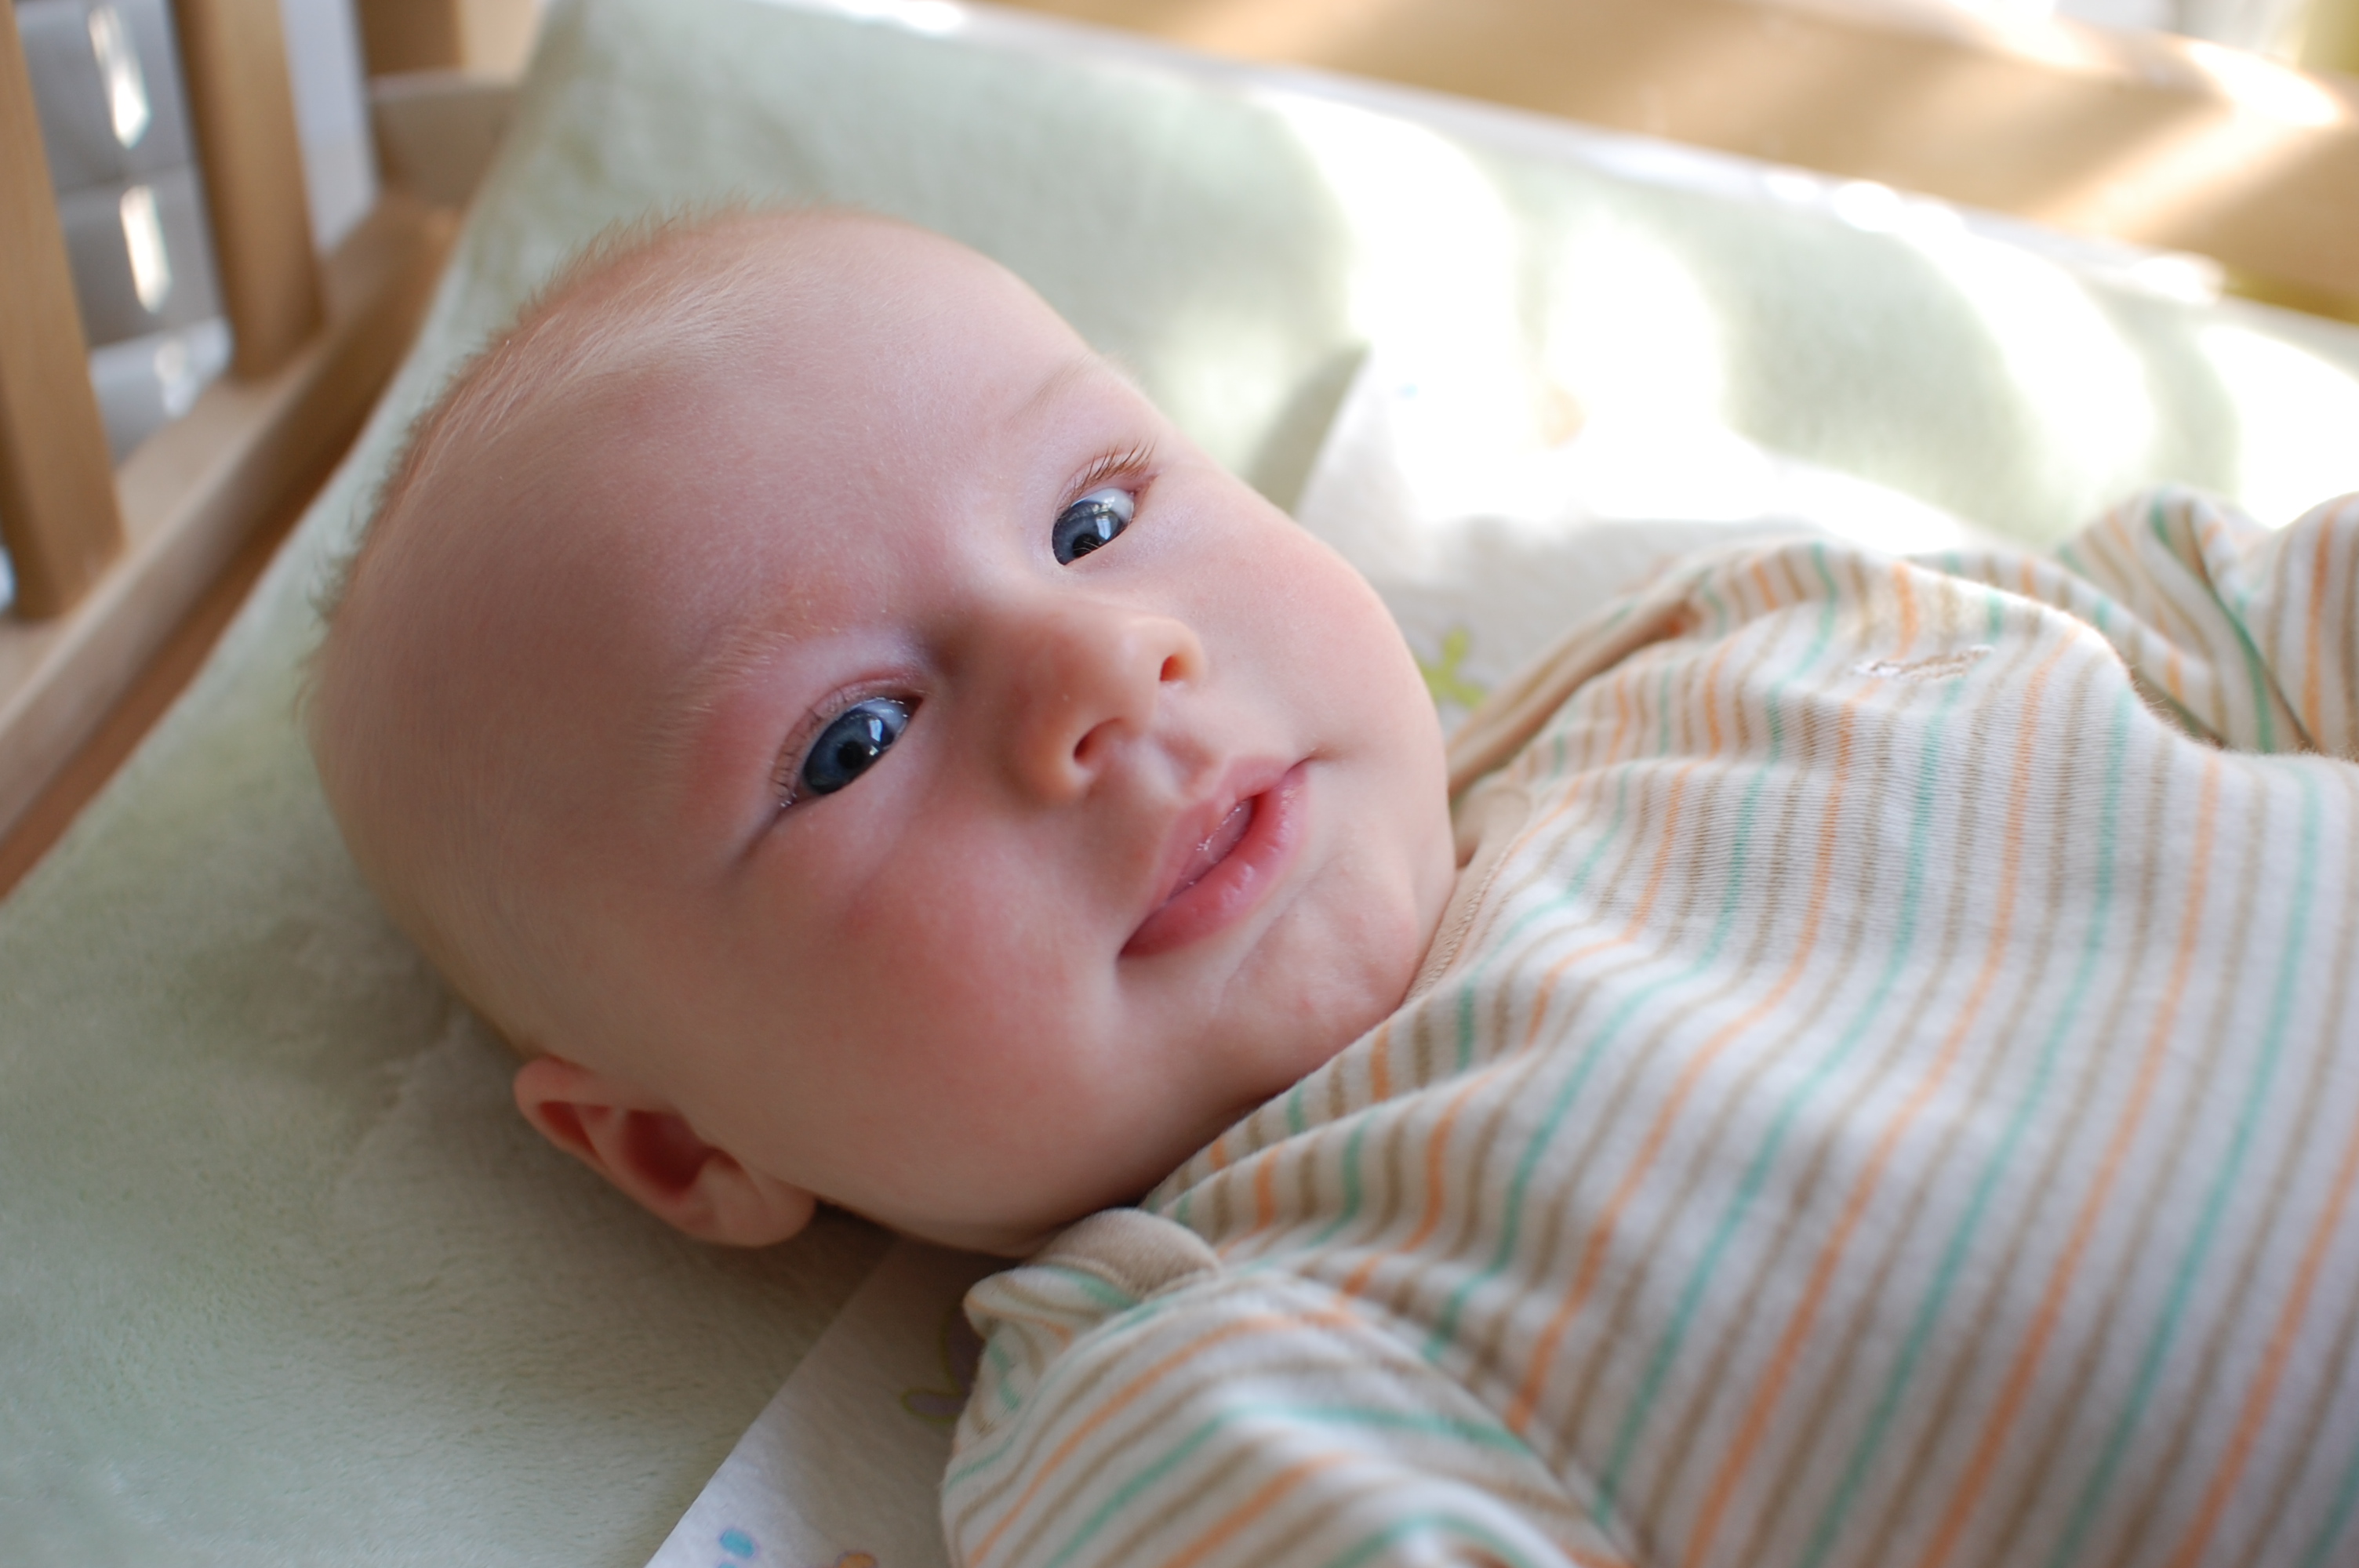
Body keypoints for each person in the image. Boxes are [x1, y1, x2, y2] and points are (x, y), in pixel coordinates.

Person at [310, 209, 2359, 1568]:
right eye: (854, 739)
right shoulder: (1198, 1396)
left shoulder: (1754, 653)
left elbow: (2266, 621)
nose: (1102, 666)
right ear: (680, 1147)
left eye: (1093, 517)